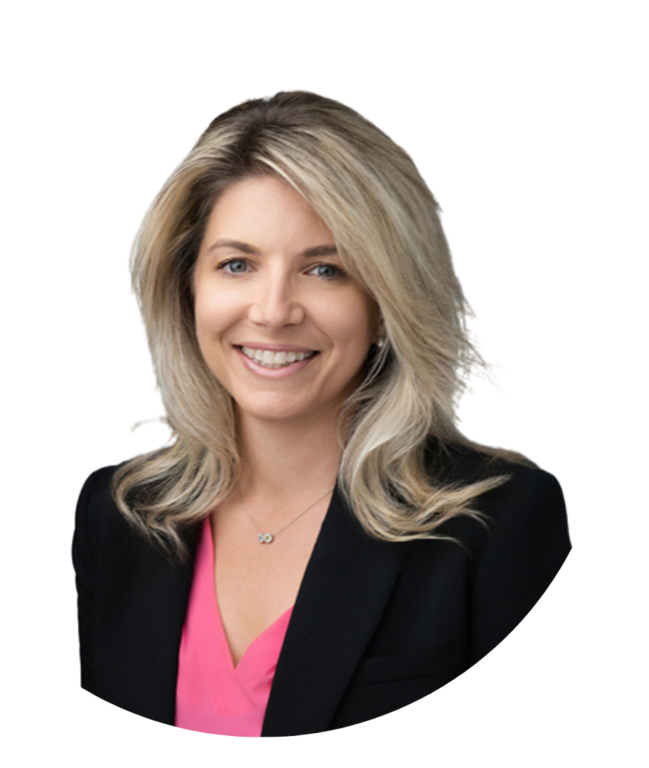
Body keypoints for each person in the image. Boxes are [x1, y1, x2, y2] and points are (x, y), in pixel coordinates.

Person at [72, 91, 570, 737]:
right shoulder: (120, 513)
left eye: (325, 269)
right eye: (237, 264)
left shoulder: (496, 524)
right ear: (186, 286)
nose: (274, 310)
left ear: (386, 301)